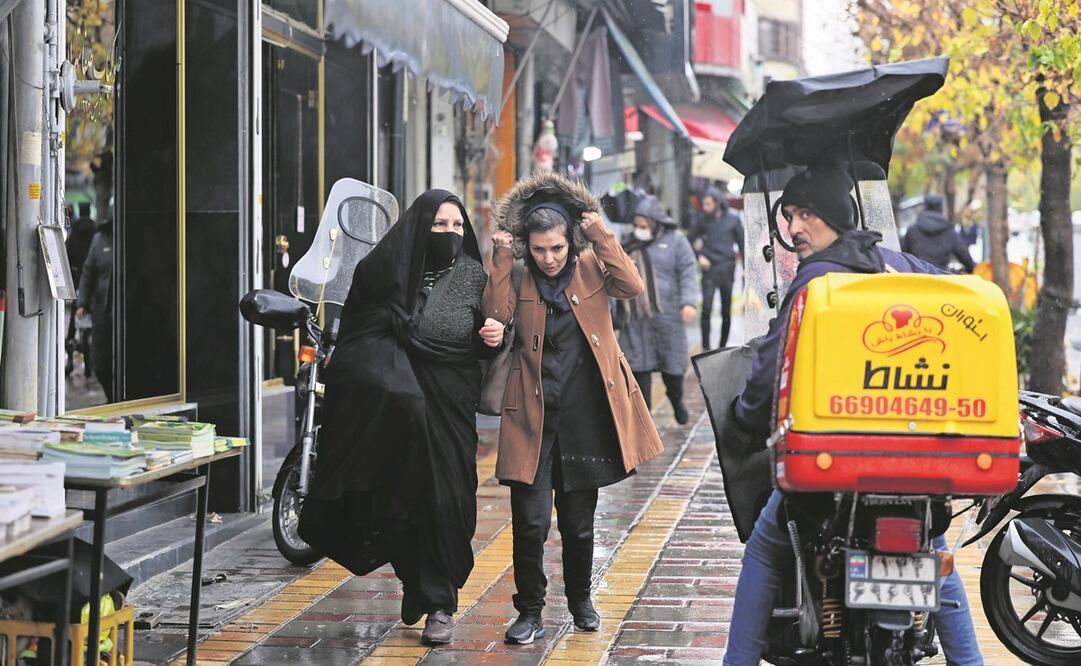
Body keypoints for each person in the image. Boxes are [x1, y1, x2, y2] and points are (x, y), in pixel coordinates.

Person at [722, 165, 983, 665]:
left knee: (765, 545)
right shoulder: (897, 264)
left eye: (807, 214)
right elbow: (960, 299)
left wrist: (746, 417)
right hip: (915, 461)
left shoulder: (815, 283)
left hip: (833, 465)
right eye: (790, 216)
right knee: (933, 548)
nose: (796, 227)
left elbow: (771, 369)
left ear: (835, 217)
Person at [297, 190, 505, 647]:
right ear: (417, 227)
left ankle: (436, 595)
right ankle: (432, 599)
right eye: (439, 225)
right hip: (396, 409)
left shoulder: (474, 275)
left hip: (451, 403)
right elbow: (359, 335)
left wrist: (493, 335)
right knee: (405, 502)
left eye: (457, 226)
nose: (450, 234)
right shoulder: (384, 272)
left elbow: (490, 332)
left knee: (449, 501)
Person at [484, 172, 664, 645]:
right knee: (530, 523)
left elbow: (632, 286)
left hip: (585, 417)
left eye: (557, 248)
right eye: (540, 249)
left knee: (580, 525)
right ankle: (529, 611)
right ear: (529, 246)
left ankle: (581, 599)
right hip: (531, 418)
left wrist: (600, 234)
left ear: (570, 242)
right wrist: (502, 257)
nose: (549, 258)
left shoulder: (590, 267)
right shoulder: (519, 272)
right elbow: (498, 315)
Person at [617, 195, 700, 424]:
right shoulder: (626, 245)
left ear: (655, 223)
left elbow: (687, 271)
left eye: (643, 226)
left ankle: (676, 400)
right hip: (635, 320)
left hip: (668, 316)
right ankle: (646, 423)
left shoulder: (676, 242)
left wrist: (688, 302)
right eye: (636, 225)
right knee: (637, 369)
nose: (639, 230)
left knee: (672, 368)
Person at [689, 186, 744, 350]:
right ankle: (706, 346)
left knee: (725, 310)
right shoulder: (702, 219)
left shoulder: (733, 220)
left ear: (717, 203)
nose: (704, 207)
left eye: (707, 204)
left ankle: (722, 346)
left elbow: (742, 244)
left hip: (727, 267)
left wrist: (747, 268)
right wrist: (699, 257)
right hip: (709, 268)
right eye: (703, 204)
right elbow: (689, 239)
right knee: (706, 307)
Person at [76, 216, 114, 402]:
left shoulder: (130, 236)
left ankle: (119, 400)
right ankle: (112, 397)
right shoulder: (99, 240)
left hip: (127, 313)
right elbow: (88, 272)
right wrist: (81, 303)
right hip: (102, 311)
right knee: (99, 362)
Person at [900, 194, 976, 273]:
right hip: (940, 279)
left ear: (925, 207)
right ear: (940, 208)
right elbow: (963, 255)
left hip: (917, 279)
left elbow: (903, 255)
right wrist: (972, 268)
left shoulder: (913, 230)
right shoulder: (948, 231)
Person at [66, 203, 96, 375]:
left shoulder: (74, 234)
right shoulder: (95, 232)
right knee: (92, 316)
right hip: (92, 284)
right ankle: (89, 363)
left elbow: (68, 257)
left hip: (78, 281)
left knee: (73, 320)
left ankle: (70, 352)